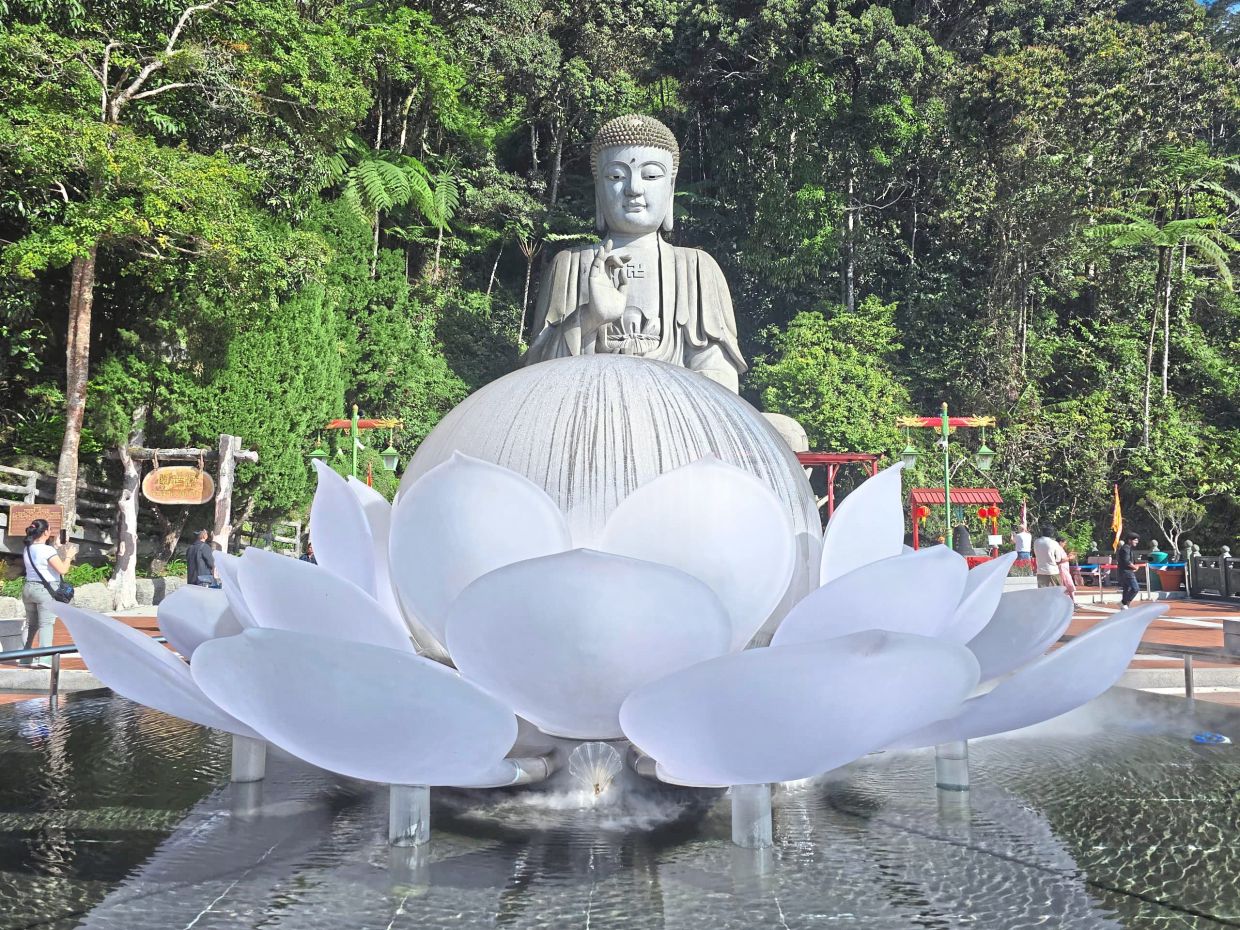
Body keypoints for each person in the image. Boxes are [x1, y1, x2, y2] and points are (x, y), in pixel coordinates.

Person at [524, 115, 745, 391]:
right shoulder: (569, 266)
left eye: (651, 175)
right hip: (590, 404)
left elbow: (720, 379)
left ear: (671, 188)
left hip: (671, 412)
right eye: (616, 176)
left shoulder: (697, 268)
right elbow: (537, 379)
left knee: (787, 432)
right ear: (598, 189)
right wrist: (591, 317)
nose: (634, 189)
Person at [21, 519, 74, 669]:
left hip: (28, 589)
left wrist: (56, 546)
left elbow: (43, 558)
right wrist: (69, 556)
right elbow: (63, 569)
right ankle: (44, 660)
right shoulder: (47, 551)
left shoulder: (28, 548)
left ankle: (24, 658)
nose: (50, 532)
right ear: (45, 532)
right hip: (45, 591)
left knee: (31, 625)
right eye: (49, 530)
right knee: (46, 624)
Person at [1033, 524, 1069, 590]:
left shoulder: (1036, 542)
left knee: (1042, 594)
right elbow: (1058, 559)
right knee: (1058, 592)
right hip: (1053, 571)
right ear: (1051, 533)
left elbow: (1035, 554)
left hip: (1040, 571)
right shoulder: (1054, 543)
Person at [1116, 531, 1143, 608]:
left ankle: (1124, 605)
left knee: (1126, 589)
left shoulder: (1127, 548)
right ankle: (1124, 603)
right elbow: (1126, 561)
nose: (1137, 541)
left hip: (1124, 572)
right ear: (1129, 540)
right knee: (1135, 588)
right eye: (1135, 540)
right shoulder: (1126, 548)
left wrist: (1133, 566)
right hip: (1127, 572)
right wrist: (1135, 567)